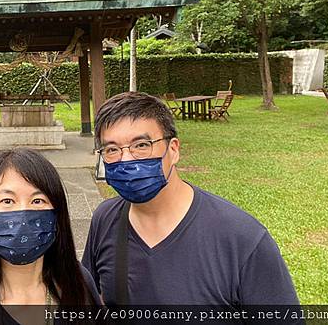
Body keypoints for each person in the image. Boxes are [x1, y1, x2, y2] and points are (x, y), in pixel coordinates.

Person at [82, 92, 301, 312]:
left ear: (174, 150)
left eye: (141, 145)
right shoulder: (105, 220)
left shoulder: (243, 239)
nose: (126, 159)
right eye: (112, 150)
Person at [0, 148, 101, 325]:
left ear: (57, 215)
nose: (22, 215)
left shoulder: (79, 281)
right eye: (7, 201)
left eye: (38, 200)